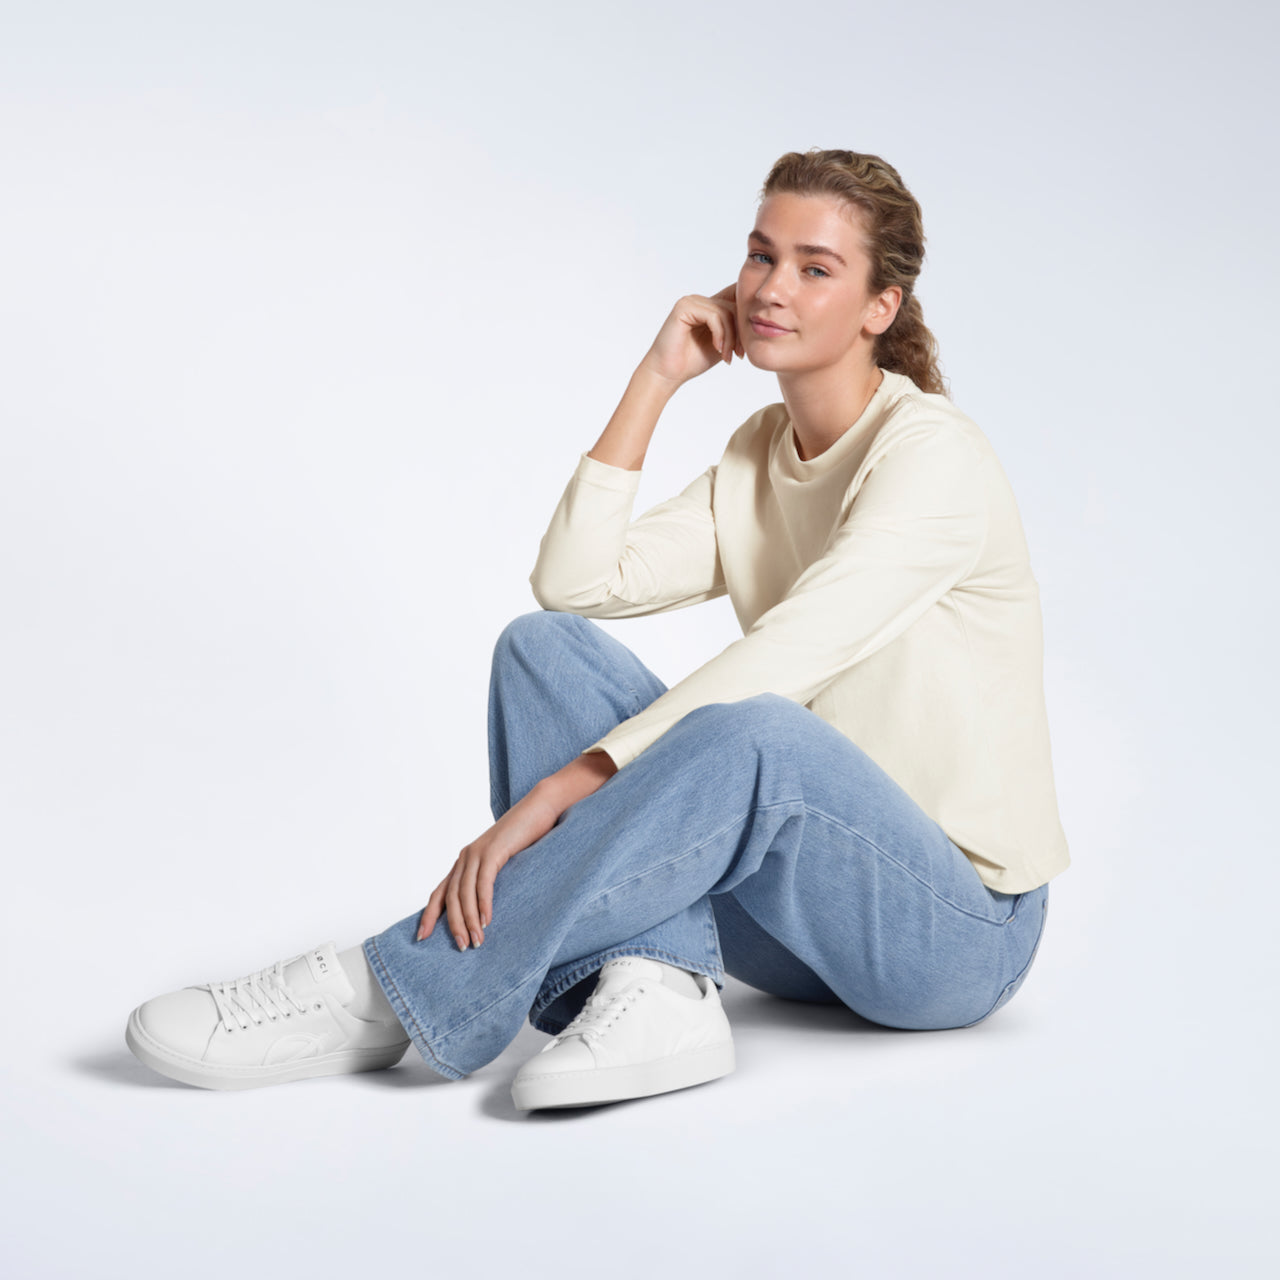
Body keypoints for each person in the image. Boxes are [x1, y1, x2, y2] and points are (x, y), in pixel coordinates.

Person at [125, 147, 1070, 1110]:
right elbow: (575, 582)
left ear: (883, 306)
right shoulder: (759, 453)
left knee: (763, 733)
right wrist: (657, 379)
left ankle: (391, 989)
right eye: (760, 256)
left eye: (814, 268)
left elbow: (790, 655)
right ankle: (658, 989)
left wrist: (556, 796)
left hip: (953, 932)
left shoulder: (934, 459)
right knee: (543, 654)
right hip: (795, 923)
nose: (771, 289)